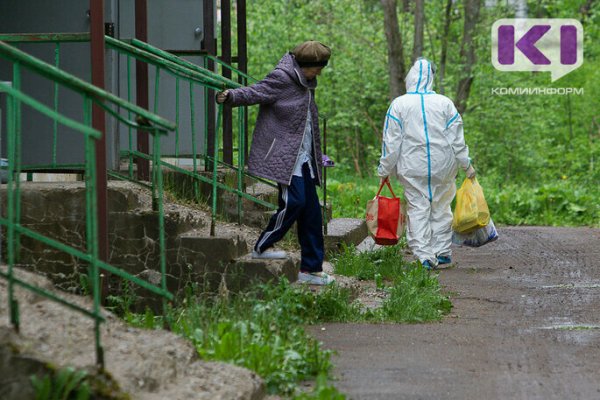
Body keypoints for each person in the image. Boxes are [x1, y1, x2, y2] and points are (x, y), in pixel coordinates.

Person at [216, 40, 334, 285]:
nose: (320, 72)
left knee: (312, 213)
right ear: (306, 65)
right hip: (285, 157)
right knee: (295, 202)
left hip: (304, 159)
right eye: (318, 67)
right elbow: (256, 91)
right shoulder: (282, 78)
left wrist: (317, 154)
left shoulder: (306, 83)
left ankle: (310, 270)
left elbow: (307, 124)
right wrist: (231, 96)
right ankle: (262, 245)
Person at [377, 57, 476, 270]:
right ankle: (442, 252)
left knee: (418, 208)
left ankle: (424, 255)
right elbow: (457, 139)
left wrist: (384, 169)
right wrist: (467, 165)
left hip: (413, 168)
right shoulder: (445, 103)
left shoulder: (399, 105)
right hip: (444, 167)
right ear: (431, 78)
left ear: (410, 78)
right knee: (441, 208)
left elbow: (391, 143)